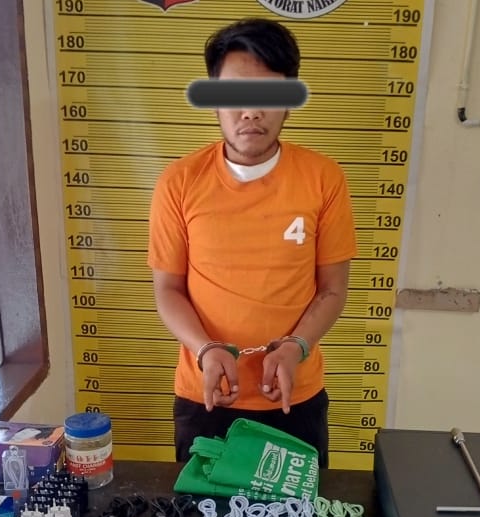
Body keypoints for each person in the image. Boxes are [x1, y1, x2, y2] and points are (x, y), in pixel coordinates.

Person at [147, 17, 357, 468]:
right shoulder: (178, 182)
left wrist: (295, 347)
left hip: (294, 396)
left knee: (301, 513)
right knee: (201, 515)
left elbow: (332, 290)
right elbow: (168, 290)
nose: (251, 111)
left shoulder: (324, 179)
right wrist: (205, 350)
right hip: (206, 396)